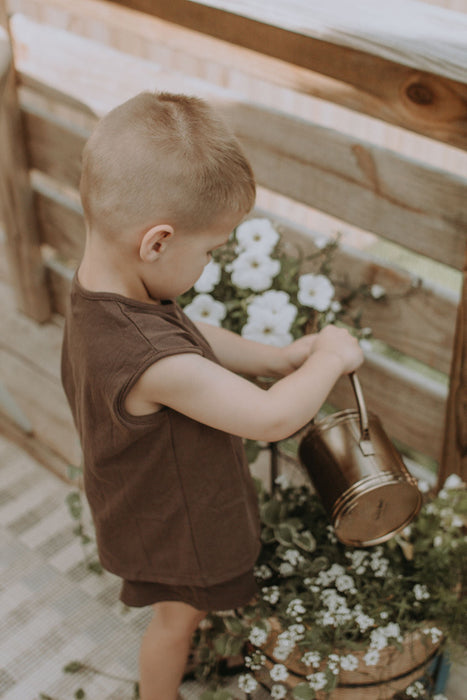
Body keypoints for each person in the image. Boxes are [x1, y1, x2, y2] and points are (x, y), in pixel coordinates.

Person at [61, 91, 363, 700]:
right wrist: (330, 357)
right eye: (211, 251)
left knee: (181, 614)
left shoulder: (107, 291)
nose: (209, 265)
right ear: (157, 242)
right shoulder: (148, 360)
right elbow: (271, 417)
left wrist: (278, 357)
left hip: (149, 497)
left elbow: (192, 338)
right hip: (178, 524)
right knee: (176, 621)